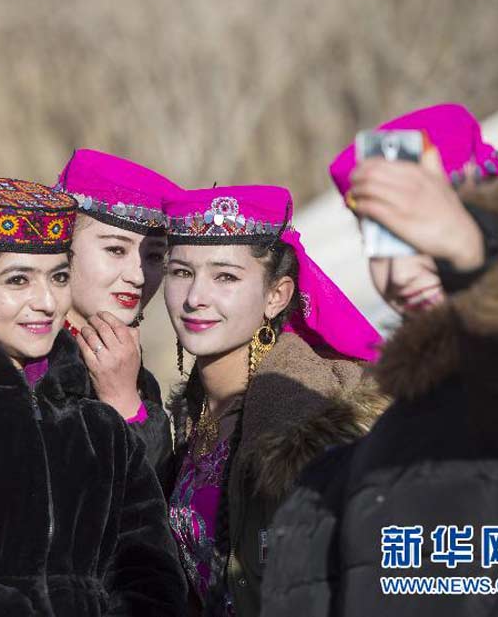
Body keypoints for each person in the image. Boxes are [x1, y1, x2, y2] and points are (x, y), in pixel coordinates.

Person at [262, 104, 498, 616]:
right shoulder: (377, 442)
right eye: (378, 241)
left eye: (422, 231)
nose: (400, 273)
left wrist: (473, 253)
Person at [0, 176, 188, 616]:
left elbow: (148, 567)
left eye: (59, 277)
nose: (47, 302)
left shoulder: (98, 417)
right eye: (18, 280)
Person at [163, 184, 384, 616]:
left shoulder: (310, 421)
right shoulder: (193, 412)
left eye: (225, 276)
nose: (194, 298)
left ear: (276, 296)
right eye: (181, 272)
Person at [56, 148, 178, 487]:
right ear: (64, 246)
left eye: (153, 256)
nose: (138, 276)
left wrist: (128, 404)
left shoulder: (138, 378)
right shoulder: (28, 361)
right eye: (116, 250)